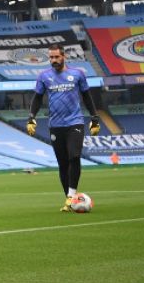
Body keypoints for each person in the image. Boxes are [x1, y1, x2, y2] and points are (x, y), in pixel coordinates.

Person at [25, 45, 102, 212]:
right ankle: (68, 198)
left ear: (63, 56)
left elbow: (87, 96)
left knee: (74, 156)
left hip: (75, 122)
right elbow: (37, 98)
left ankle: (71, 196)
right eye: (51, 58)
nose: (53, 60)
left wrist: (94, 118)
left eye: (56, 57)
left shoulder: (77, 74)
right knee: (62, 164)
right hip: (55, 125)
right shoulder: (44, 76)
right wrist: (31, 117)